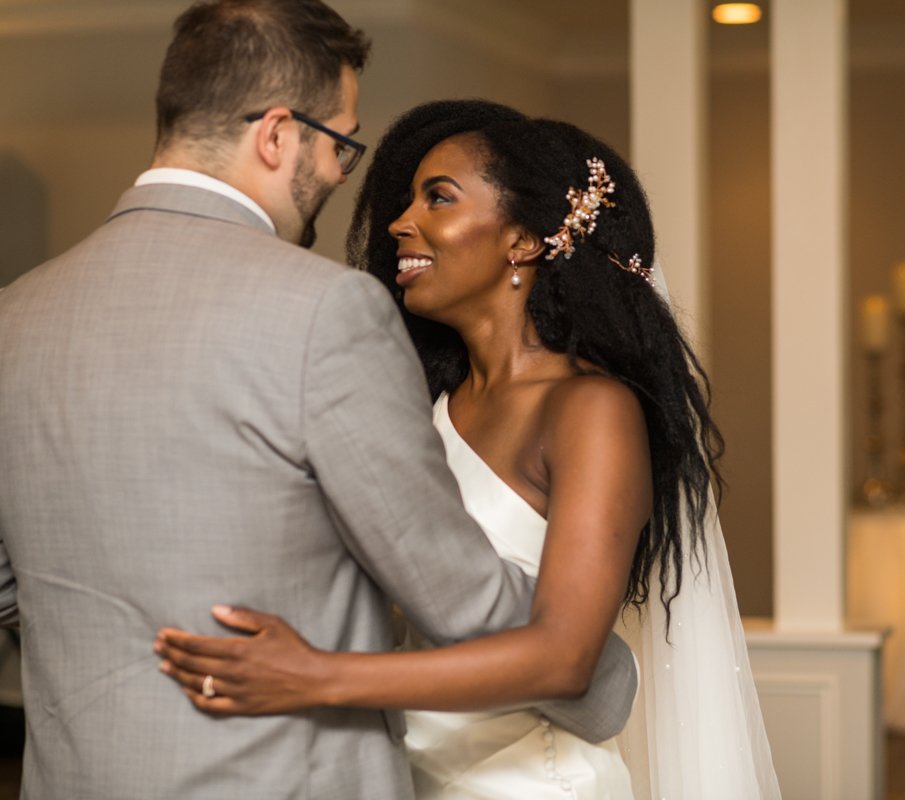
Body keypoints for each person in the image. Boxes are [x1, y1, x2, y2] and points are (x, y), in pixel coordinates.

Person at [0, 5, 635, 799]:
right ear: (276, 135)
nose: (344, 175)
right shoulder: (323, 309)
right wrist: (599, 669)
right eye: (341, 143)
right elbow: (447, 585)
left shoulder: (14, 315)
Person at [155, 100, 782, 800]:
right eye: (409, 197)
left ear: (524, 240)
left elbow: (565, 658)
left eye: (439, 197)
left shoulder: (590, 410)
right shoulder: (425, 411)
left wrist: (314, 675)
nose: (399, 221)